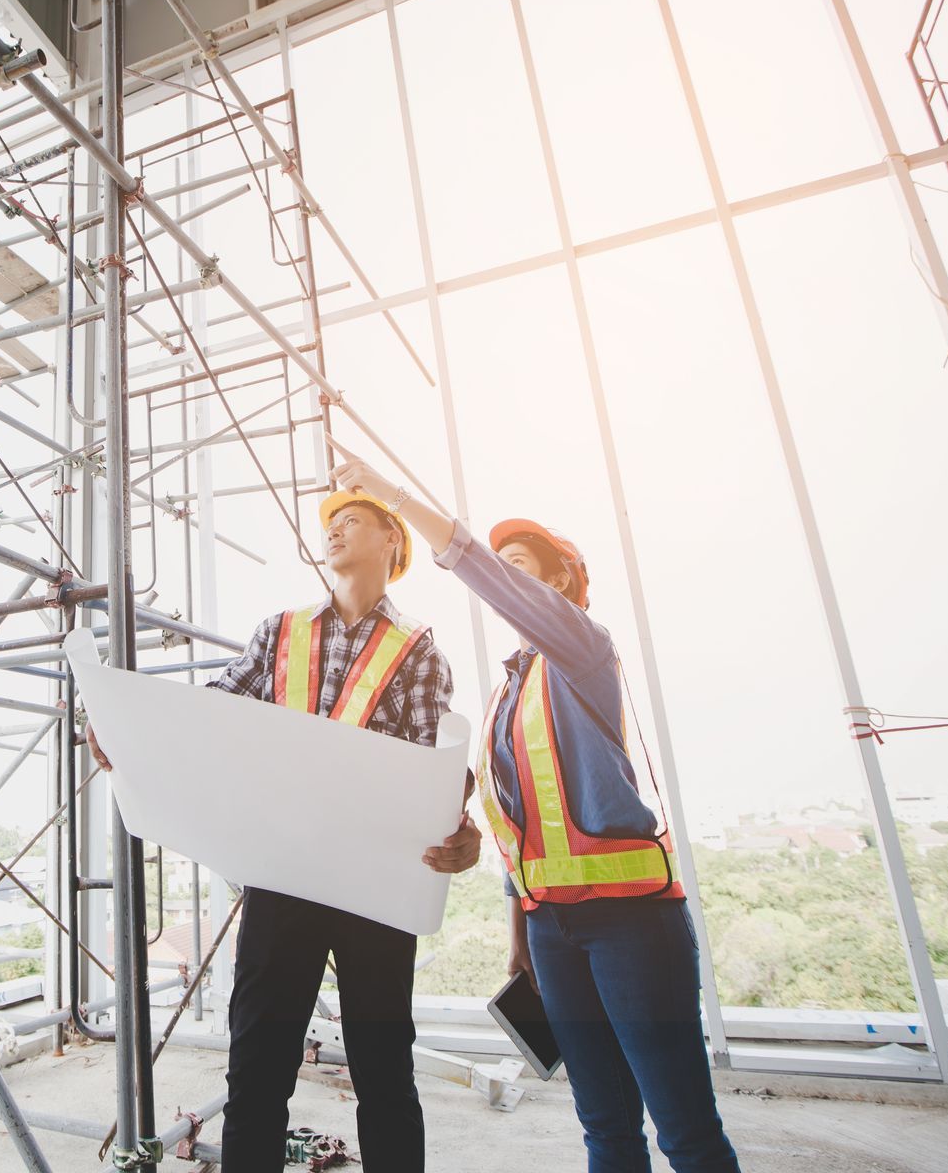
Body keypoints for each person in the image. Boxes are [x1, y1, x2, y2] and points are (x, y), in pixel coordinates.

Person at [330, 449, 741, 1173]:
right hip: (554, 931)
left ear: (559, 584)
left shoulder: (585, 652)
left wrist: (394, 494)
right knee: (605, 1127)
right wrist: (522, 935)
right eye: (504, 562)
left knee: (685, 1131)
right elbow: (518, 827)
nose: (504, 571)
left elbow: (474, 567)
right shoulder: (505, 698)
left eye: (520, 564)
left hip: (631, 921)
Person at [89, 488, 480, 1173]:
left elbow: (433, 765)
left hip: (373, 887)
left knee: (384, 1076)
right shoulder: (281, 632)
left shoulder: (418, 651)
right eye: (330, 524)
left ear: (393, 540)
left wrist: (459, 820)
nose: (333, 531)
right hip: (285, 877)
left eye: (351, 520)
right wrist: (132, 734)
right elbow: (208, 715)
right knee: (259, 1072)